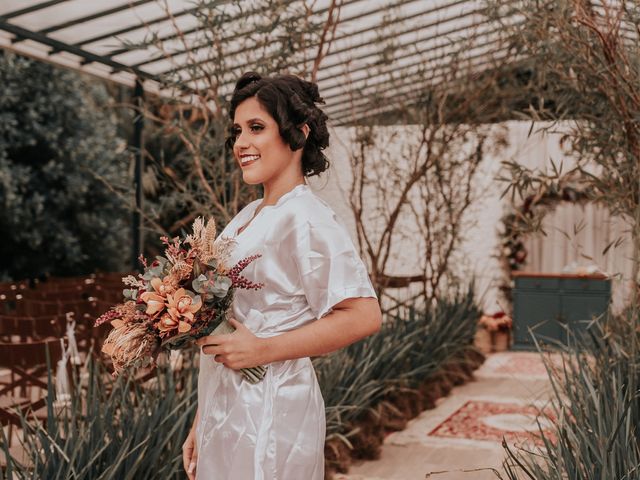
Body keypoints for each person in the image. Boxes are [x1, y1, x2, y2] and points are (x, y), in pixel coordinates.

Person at [182, 71, 382, 480]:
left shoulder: (306, 217)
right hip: (227, 404)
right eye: (238, 130)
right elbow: (232, 325)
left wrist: (264, 351)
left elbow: (364, 315)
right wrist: (201, 418)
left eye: (257, 127)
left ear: (299, 133)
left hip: (273, 408)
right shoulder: (245, 218)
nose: (241, 143)